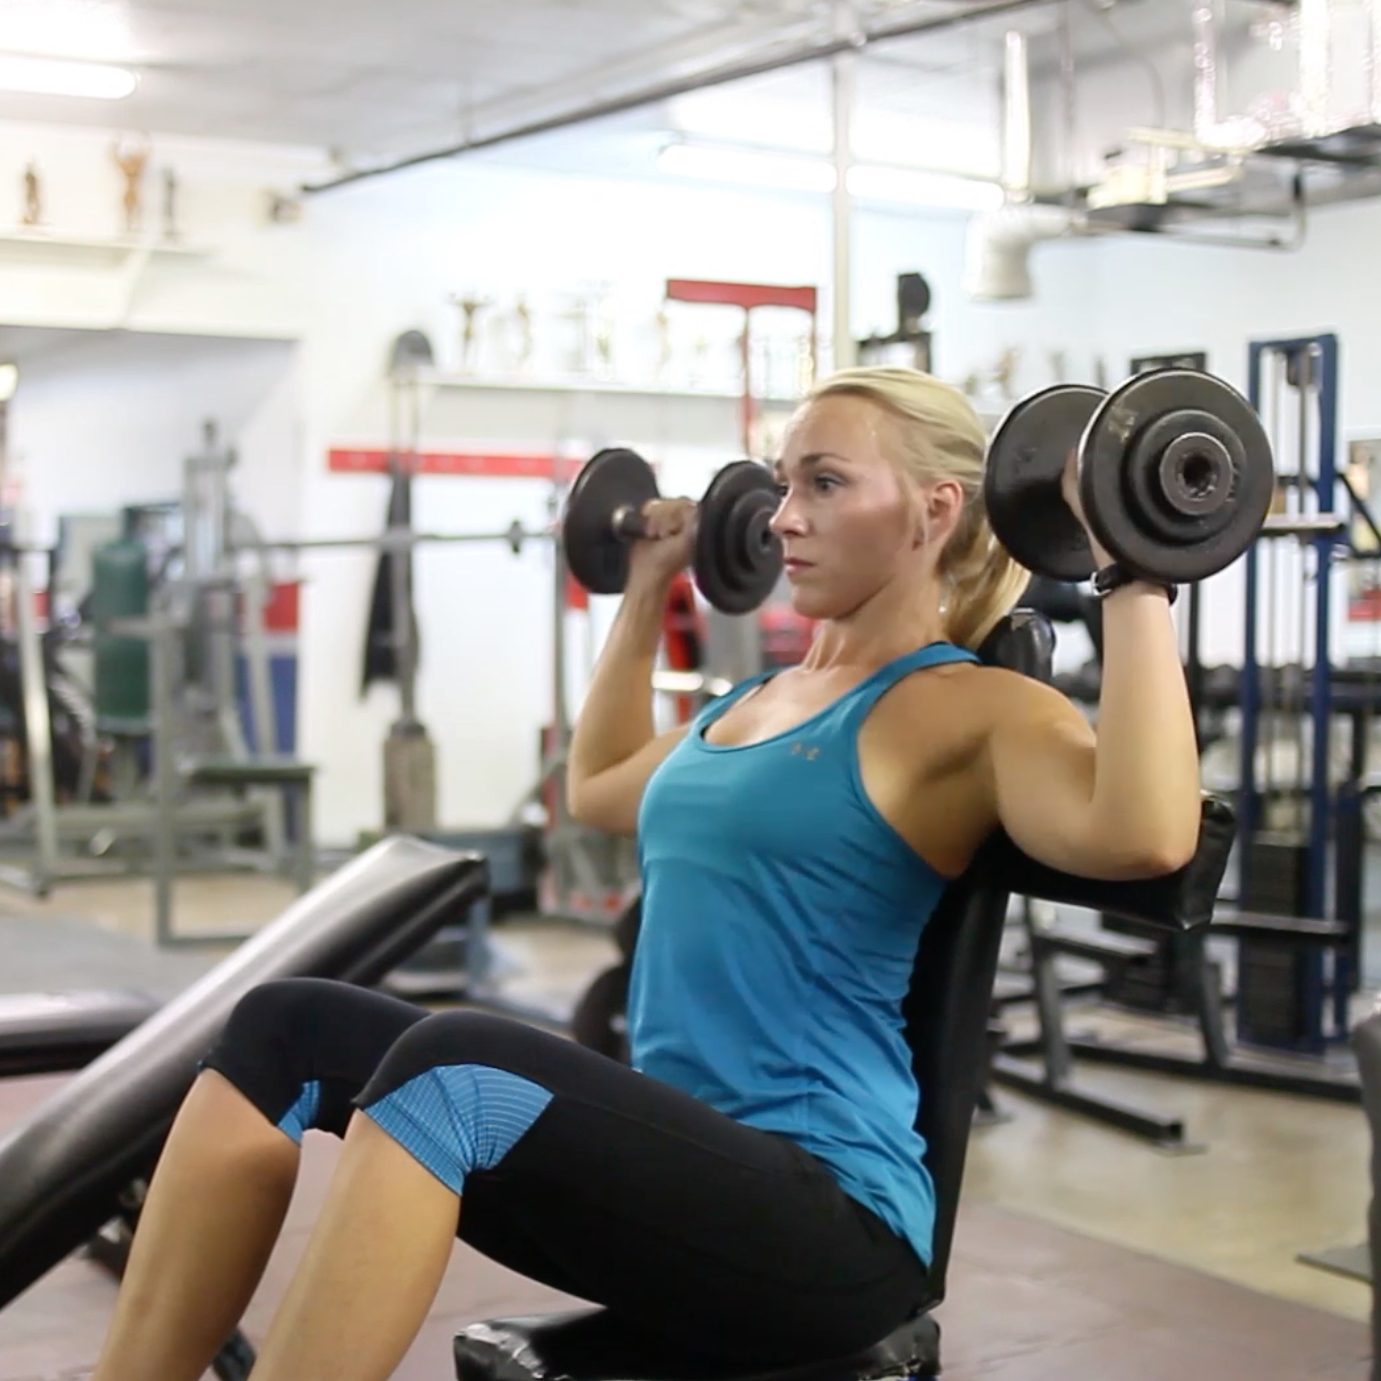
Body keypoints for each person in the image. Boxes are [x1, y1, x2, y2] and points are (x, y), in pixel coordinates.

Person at [90, 366, 1202, 1381]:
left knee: (451, 1063)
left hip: (824, 1225)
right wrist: (645, 581)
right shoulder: (756, 700)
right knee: (283, 1026)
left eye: (822, 483)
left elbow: (1146, 835)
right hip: (674, 1177)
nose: (781, 517)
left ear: (935, 509)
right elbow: (601, 786)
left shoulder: (964, 704)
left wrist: (1132, 565)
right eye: (778, 485)